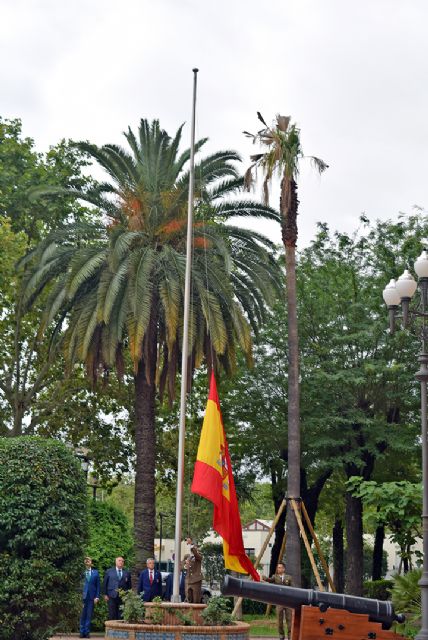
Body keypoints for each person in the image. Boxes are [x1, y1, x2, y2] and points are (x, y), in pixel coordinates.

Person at [263, 561, 293, 640]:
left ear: (283, 569)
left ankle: (290, 636)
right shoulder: (275, 577)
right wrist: (264, 578)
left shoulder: (289, 577)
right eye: (278, 567)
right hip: (279, 602)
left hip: (288, 602)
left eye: (280, 567)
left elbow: (293, 589)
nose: (278, 569)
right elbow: (269, 580)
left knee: (289, 620)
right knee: (279, 620)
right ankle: (281, 636)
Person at [103, 556, 132, 621]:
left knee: (121, 614)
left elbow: (129, 586)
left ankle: (120, 630)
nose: (121, 562)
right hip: (111, 595)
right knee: (112, 613)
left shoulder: (127, 573)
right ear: (115, 562)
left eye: (122, 561)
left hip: (122, 597)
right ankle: (112, 630)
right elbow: (105, 583)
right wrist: (105, 594)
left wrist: (128, 595)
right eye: (119, 560)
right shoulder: (109, 571)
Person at [79, 556, 100, 639]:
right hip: (82, 597)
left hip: (91, 597)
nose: (88, 562)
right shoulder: (81, 572)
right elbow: (77, 586)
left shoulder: (96, 573)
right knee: (82, 615)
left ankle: (87, 632)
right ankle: (81, 632)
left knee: (89, 615)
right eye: (86, 560)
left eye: (89, 560)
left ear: (91, 562)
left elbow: (98, 586)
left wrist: (97, 597)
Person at [184, 537, 203, 603]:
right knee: (188, 598)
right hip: (188, 580)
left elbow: (196, 554)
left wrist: (191, 545)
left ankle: (196, 613)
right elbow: (182, 566)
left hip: (196, 580)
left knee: (196, 600)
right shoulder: (188, 557)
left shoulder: (198, 556)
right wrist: (185, 565)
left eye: (196, 548)